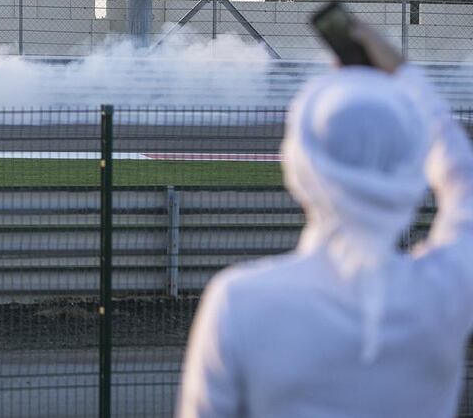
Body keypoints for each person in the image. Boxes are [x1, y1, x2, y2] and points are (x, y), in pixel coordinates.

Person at [176, 23, 473, 418]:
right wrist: (404, 75)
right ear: (409, 173)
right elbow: (463, 180)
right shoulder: (446, 293)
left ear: (301, 171)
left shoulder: (239, 302)